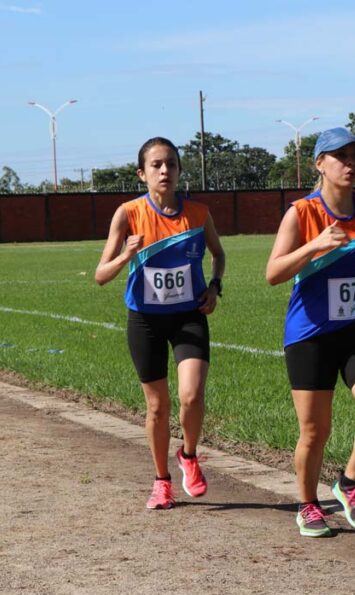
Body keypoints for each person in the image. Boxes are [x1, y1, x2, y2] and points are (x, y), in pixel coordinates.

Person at [266, 127, 355, 537]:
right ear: (319, 164)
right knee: (315, 431)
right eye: (340, 156)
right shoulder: (301, 213)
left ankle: (349, 482)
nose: (351, 163)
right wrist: (315, 245)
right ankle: (307, 505)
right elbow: (273, 273)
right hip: (311, 334)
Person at [95, 137, 225, 510]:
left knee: (192, 395)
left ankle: (189, 455)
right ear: (142, 174)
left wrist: (214, 286)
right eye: (156, 165)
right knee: (157, 407)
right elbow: (101, 275)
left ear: (180, 170)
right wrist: (126, 255)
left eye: (171, 164)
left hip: (188, 316)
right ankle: (161, 481)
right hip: (146, 320)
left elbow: (218, 254)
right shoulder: (128, 213)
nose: (164, 170)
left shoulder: (198, 213)